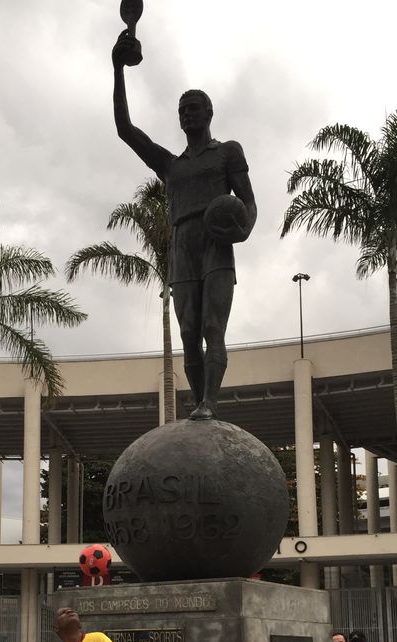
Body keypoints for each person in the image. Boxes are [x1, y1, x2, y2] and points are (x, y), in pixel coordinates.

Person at [112, 32, 257, 421]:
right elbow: (126, 130)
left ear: (209, 114)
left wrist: (241, 230)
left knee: (213, 326)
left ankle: (210, 403)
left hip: (215, 244)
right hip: (181, 246)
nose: (187, 114)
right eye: (182, 110)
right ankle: (199, 405)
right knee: (188, 334)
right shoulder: (170, 165)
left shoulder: (228, 152)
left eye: (193, 108)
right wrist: (117, 70)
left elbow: (249, 203)